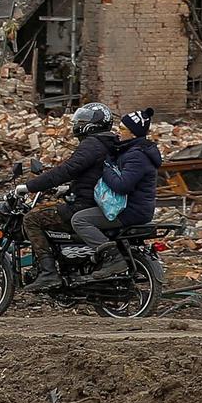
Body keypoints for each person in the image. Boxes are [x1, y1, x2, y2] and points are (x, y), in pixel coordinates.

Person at [14, 102, 119, 292]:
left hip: (84, 205)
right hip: (97, 202)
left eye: (83, 120)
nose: (78, 123)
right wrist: (68, 189)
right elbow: (90, 175)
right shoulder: (109, 143)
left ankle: (48, 273)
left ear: (93, 124)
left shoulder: (92, 144)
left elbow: (67, 170)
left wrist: (29, 186)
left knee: (32, 219)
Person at [71, 107, 162, 279]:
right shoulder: (132, 151)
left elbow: (122, 185)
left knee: (80, 219)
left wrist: (106, 167)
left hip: (131, 211)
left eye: (122, 129)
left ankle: (112, 259)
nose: (118, 133)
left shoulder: (137, 156)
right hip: (134, 208)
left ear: (133, 134)